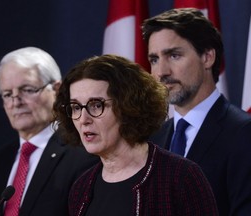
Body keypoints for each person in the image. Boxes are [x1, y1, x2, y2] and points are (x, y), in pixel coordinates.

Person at [52, 54, 218, 215]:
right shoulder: (81, 189)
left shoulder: (181, 177)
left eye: (96, 105)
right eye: (75, 107)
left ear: (128, 107)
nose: (83, 119)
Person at [142, 8, 251, 216]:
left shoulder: (244, 134)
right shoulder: (153, 139)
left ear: (208, 57)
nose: (161, 72)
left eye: (174, 55)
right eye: (154, 59)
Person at [0, 47, 98, 216]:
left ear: (57, 90)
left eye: (28, 90)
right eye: (8, 94)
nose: (16, 102)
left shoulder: (83, 152)